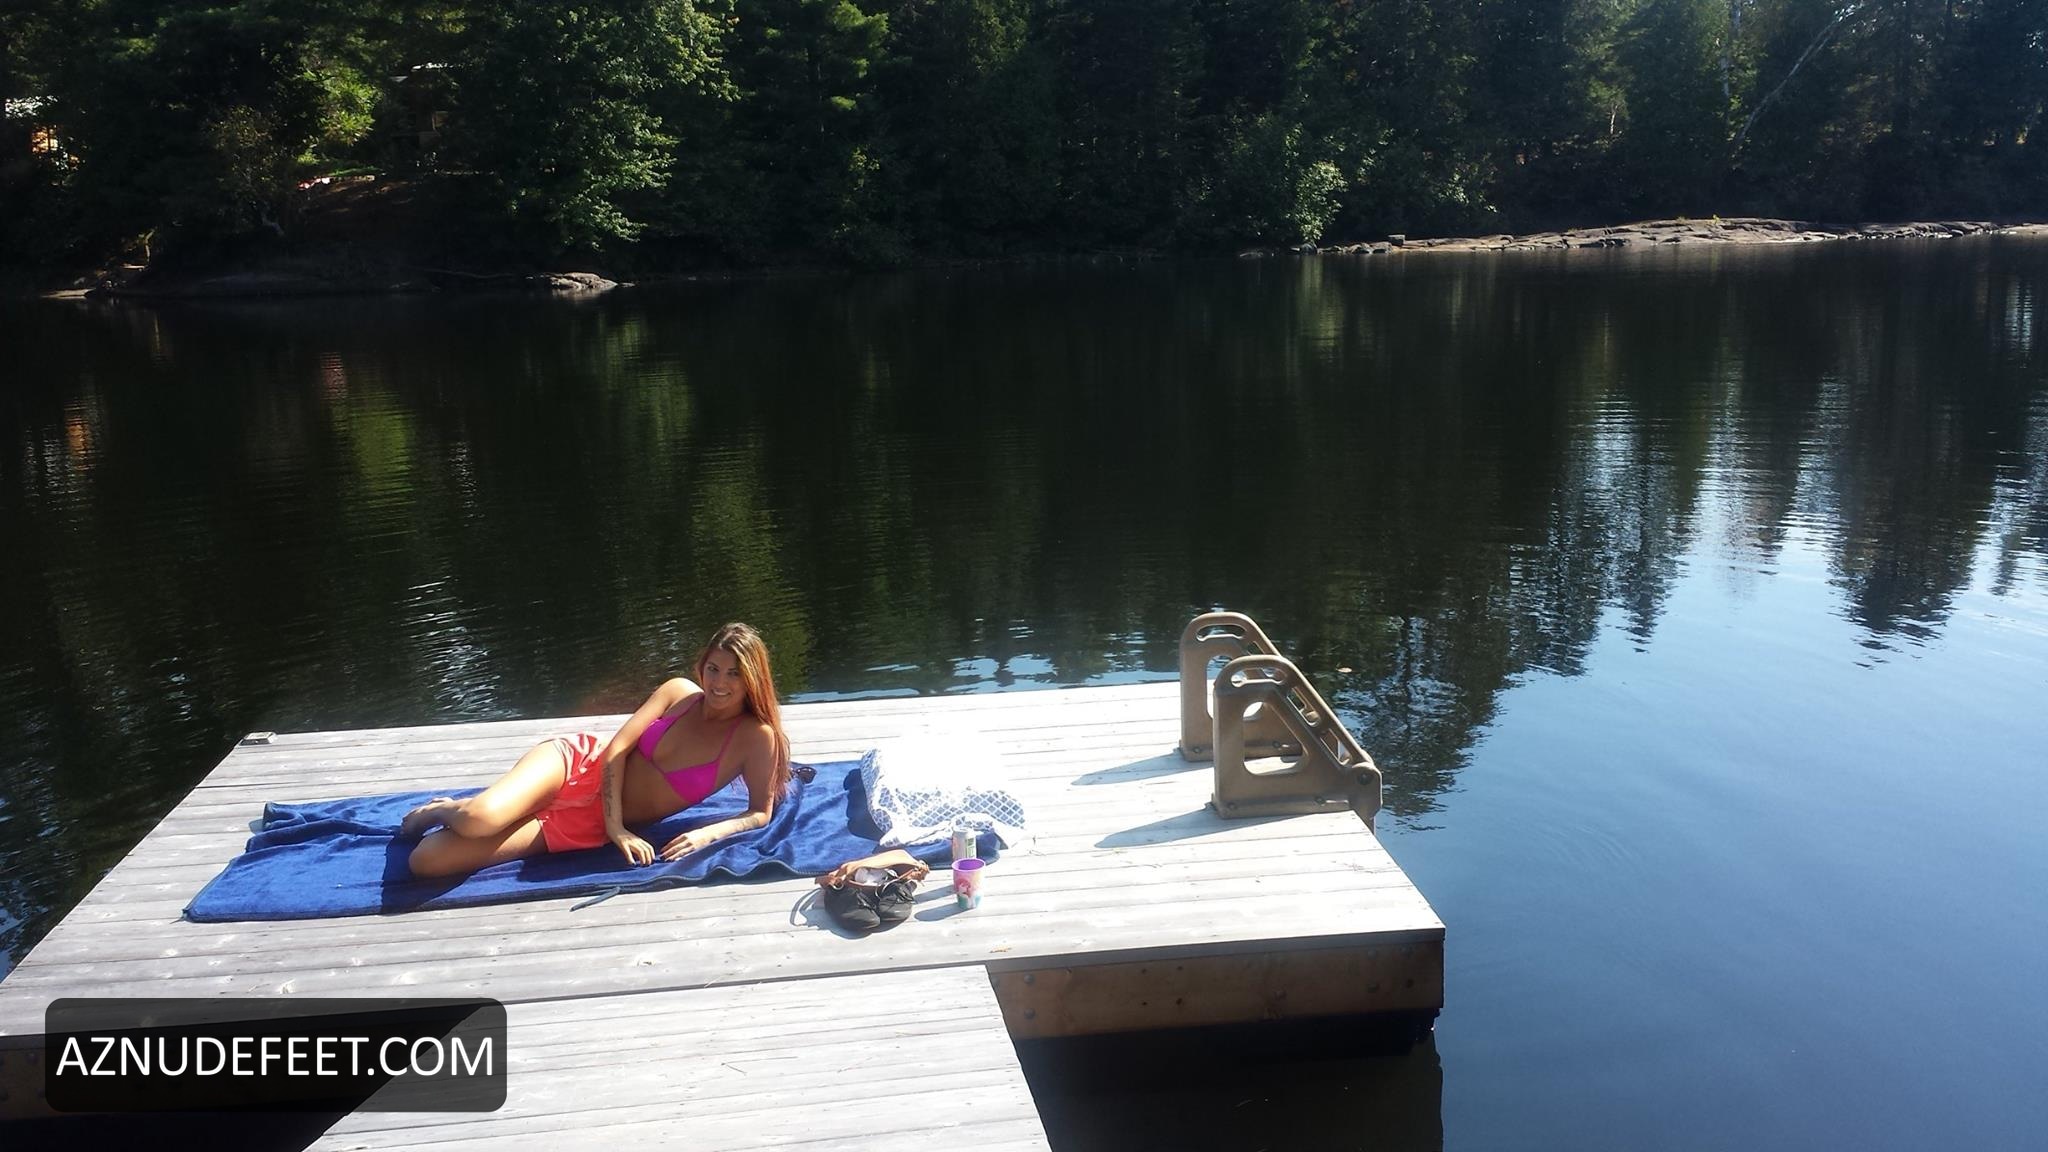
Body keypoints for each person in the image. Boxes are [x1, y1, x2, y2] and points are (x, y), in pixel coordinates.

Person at [401, 622, 794, 878]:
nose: (719, 683)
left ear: (752, 678)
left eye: (734, 673)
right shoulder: (678, 693)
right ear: (701, 667)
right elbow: (616, 749)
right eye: (713, 669)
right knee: (479, 818)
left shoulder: (756, 737)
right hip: (576, 764)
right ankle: (443, 809)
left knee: (426, 862)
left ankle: (466, 812)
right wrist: (616, 828)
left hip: (587, 823)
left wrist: (707, 834)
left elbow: (759, 813)